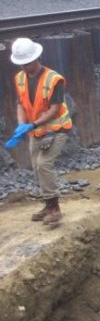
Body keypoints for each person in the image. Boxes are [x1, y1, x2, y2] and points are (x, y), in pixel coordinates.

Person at [5, 38, 72, 226]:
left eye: (27, 63)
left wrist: (32, 125)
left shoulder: (54, 79)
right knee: (36, 167)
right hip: (35, 130)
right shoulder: (20, 79)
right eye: (21, 64)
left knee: (44, 164)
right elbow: (20, 104)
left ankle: (55, 208)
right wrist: (21, 125)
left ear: (36, 58)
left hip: (56, 129)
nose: (24, 68)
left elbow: (54, 110)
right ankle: (47, 205)